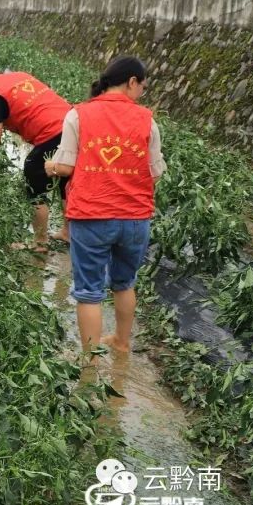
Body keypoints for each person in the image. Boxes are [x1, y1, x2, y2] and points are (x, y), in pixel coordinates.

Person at [43, 56, 165, 354]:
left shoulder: (78, 115)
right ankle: (122, 343)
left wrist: (51, 167)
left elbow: (67, 166)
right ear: (132, 81)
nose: (141, 94)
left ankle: (91, 362)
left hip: (91, 215)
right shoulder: (147, 119)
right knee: (124, 283)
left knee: (89, 293)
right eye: (142, 87)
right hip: (135, 219)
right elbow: (156, 172)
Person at [0, 66, 72, 252]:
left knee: (34, 180)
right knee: (65, 182)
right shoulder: (17, 76)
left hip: (53, 132)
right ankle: (68, 232)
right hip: (73, 123)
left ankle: (40, 243)